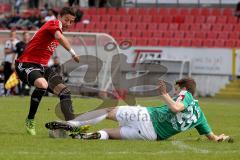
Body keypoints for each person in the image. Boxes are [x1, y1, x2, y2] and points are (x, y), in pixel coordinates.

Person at [46, 78, 232, 142]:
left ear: (183, 88)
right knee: (109, 134)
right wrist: (220, 138)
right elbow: (213, 137)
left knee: (108, 110)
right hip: (151, 136)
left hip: (147, 117)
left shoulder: (186, 95)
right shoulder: (201, 117)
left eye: (177, 89)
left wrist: (165, 95)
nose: (176, 92)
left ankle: (70, 124)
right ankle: (84, 137)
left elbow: (176, 107)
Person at [15, 7, 83, 135]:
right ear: (59, 17)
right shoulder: (54, 23)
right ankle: (30, 119)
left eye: (71, 21)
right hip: (26, 64)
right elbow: (59, 36)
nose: (68, 24)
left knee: (64, 92)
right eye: (66, 20)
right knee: (42, 85)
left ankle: (73, 126)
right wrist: (73, 53)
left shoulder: (58, 28)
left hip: (42, 67)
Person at [14, 31, 31, 95]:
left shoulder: (31, 43)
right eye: (25, 35)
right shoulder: (19, 44)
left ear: (29, 36)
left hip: (28, 63)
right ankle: (19, 91)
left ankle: (25, 91)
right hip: (19, 63)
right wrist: (13, 62)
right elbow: (15, 54)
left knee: (26, 77)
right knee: (18, 77)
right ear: (23, 36)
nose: (26, 37)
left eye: (27, 35)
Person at [3, 30, 19, 95]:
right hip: (7, 61)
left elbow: (18, 52)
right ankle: (5, 91)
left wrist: (12, 50)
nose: (12, 35)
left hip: (15, 62)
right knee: (6, 77)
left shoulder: (18, 42)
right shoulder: (8, 42)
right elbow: (6, 51)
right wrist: (14, 50)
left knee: (15, 77)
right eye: (11, 34)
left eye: (14, 34)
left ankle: (14, 92)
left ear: (15, 35)